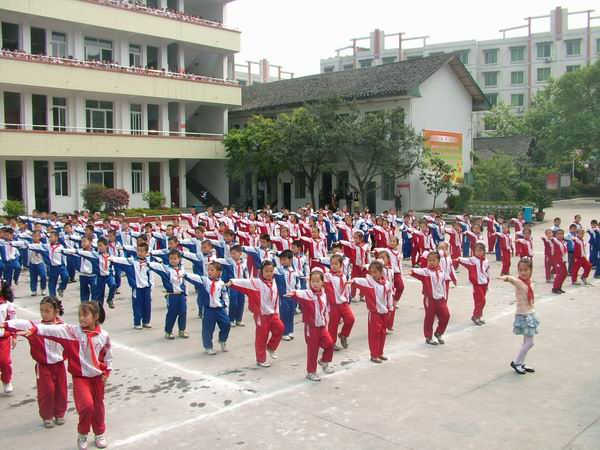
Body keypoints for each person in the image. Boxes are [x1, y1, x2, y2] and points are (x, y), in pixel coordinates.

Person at [10, 302, 112, 450]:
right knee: (87, 406)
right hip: (80, 378)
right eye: (79, 315)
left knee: (98, 407)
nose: (81, 319)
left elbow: (107, 356)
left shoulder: (104, 336)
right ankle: (82, 433)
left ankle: (99, 433)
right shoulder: (72, 332)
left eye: (85, 315)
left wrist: (106, 372)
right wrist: (34, 329)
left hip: (97, 378)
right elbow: (53, 330)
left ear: (96, 317)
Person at [3, 296, 67, 428]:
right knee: (47, 391)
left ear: (56, 312)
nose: (44, 314)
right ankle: (47, 415)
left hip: (59, 365)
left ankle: (59, 413)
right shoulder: (34, 326)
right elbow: (19, 323)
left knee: (61, 390)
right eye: (42, 310)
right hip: (43, 366)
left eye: (47, 311)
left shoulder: (63, 327)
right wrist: (4, 324)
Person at [227, 261, 284, 367]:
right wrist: (232, 282)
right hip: (261, 315)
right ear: (261, 271)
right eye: (266, 271)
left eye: (271, 271)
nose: (269, 273)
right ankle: (261, 359)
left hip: (273, 313)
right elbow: (244, 283)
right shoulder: (257, 283)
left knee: (280, 328)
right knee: (262, 336)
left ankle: (271, 347)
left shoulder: (274, 282)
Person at [286, 269, 335, 381]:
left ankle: (324, 361)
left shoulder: (324, 295)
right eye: (313, 281)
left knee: (329, 344)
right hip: (311, 328)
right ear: (309, 282)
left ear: (322, 282)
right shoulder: (307, 294)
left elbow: (325, 309)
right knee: (313, 350)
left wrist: (326, 322)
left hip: (321, 327)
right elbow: (298, 293)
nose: (315, 283)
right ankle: (311, 371)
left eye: (318, 281)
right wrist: (292, 293)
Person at [348, 261, 393, 363]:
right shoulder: (370, 283)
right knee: (374, 334)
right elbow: (360, 281)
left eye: (376, 272)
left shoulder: (387, 284)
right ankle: (374, 354)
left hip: (385, 312)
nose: (373, 274)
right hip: (374, 313)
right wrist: (353, 281)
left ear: (381, 272)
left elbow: (390, 295)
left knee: (382, 333)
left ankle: (380, 352)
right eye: (371, 272)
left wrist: (390, 308)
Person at [500, 258, 539, 375]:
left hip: (530, 313)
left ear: (531, 270)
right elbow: (513, 280)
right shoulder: (520, 282)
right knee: (530, 343)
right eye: (520, 270)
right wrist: (506, 278)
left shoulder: (530, 283)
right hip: (524, 315)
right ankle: (516, 361)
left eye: (526, 270)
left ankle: (521, 362)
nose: (523, 272)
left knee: (526, 341)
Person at [109, 242, 154, 329]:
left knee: (147, 305)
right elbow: (122, 260)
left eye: (142, 251)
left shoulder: (148, 263)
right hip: (137, 289)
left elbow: (151, 275)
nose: (139, 253)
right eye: (138, 251)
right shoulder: (132, 261)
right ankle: (137, 322)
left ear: (146, 252)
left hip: (146, 288)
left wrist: (151, 286)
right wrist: (112, 259)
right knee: (137, 305)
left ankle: (146, 321)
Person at [410, 251, 451, 345]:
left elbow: (445, 284)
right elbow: (417, 271)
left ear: (438, 261)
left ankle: (439, 332)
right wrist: (412, 271)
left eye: (434, 260)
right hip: (430, 299)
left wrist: (445, 297)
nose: (431, 262)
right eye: (430, 260)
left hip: (441, 299)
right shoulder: (426, 272)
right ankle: (428, 337)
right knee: (430, 318)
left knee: (446, 315)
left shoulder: (442, 273)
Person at [148, 250, 189, 340]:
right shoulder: (167, 269)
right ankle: (168, 331)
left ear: (179, 259)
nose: (173, 260)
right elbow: (157, 266)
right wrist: (148, 262)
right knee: (172, 313)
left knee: (183, 312)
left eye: (175, 258)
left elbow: (185, 282)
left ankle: (182, 329)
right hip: (172, 295)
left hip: (181, 295)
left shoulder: (182, 269)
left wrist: (186, 293)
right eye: (171, 259)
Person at [324, 254, 355, 351]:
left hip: (343, 303)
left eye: (336, 264)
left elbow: (346, 289)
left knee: (350, 319)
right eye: (332, 264)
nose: (333, 266)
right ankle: (331, 343)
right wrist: (333, 303)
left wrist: (347, 300)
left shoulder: (344, 276)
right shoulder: (328, 276)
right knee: (333, 325)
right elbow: (329, 291)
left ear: (341, 265)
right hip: (334, 305)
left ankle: (343, 335)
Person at [456, 242, 490, 326]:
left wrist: (487, 284)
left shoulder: (486, 261)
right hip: (476, 284)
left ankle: (478, 316)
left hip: (484, 283)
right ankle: (475, 316)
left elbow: (488, 273)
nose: (478, 252)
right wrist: (456, 259)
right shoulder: (472, 260)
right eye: (476, 250)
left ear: (484, 251)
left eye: (480, 250)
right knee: (482, 301)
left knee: (479, 301)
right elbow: (462, 259)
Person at [0, 279, 16, 393]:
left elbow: (14, 321)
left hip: (3, 337)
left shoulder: (7, 305)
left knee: (4, 362)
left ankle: (6, 380)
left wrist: (14, 336)